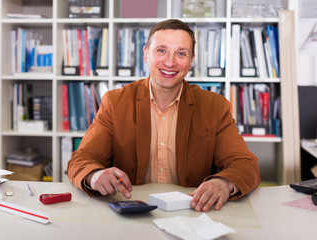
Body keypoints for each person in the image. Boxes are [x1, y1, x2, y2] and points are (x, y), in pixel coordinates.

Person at [67, 19, 260, 212]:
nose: (170, 62)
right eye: (161, 50)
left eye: (181, 53)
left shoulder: (215, 106)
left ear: (191, 61)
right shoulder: (115, 102)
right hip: (132, 209)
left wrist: (224, 183)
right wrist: (95, 175)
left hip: (192, 211)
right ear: (145, 54)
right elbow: (81, 159)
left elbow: (245, 164)